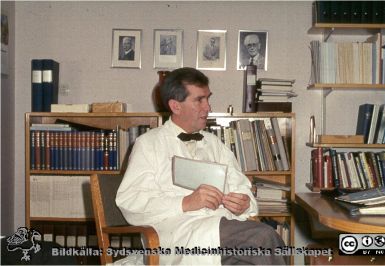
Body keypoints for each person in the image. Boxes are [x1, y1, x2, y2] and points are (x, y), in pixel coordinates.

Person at [116, 67, 288, 265]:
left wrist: (244, 203)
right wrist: (186, 202)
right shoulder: (148, 144)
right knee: (262, 238)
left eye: (208, 98)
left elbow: (242, 188)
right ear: (176, 106)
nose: (208, 107)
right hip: (178, 237)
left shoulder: (215, 144)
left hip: (222, 231)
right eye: (199, 100)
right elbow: (130, 202)